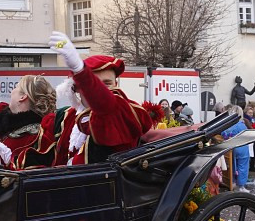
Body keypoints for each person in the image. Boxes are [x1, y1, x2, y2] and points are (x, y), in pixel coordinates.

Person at [25, 32, 160, 167]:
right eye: (94, 83)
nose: (99, 89)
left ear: (116, 85)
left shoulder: (121, 113)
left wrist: (80, 70)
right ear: (76, 89)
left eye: (107, 83)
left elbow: (105, 105)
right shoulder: (65, 117)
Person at [220, 105, 251, 191]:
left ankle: (232, 182)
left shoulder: (228, 124)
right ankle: (241, 186)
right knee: (243, 166)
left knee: (233, 166)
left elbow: (223, 134)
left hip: (231, 147)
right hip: (242, 147)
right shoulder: (241, 125)